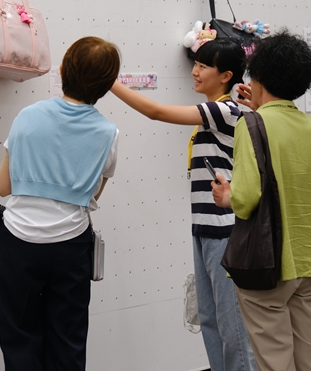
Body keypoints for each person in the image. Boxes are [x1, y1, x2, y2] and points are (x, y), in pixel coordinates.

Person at [110, 38, 257, 371]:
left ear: (226, 76)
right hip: (205, 230)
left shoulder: (224, 110)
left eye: (204, 66)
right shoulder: (219, 111)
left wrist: (109, 82)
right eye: (196, 64)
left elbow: (156, 112)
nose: (195, 71)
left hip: (224, 232)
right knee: (210, 318)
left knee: (232, 324)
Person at [0, 36, 121, 371]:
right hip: (71, 245)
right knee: (68, 338)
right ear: (107, 84)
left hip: (19, 241)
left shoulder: (27, 116)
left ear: (62, 70)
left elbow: (4, 187)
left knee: (19, 336)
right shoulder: (108, 133)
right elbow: (92, 196)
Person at [211, 29, 311, 371]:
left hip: (269, 264)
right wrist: (261, 107)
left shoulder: (250, 125)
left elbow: (246, 199)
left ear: (258, 78)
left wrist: (226, 195)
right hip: (306, 260)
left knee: (275, 359)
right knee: (307, 350)